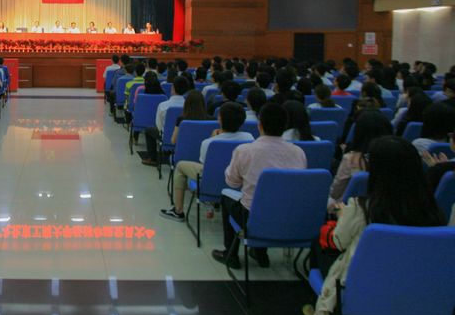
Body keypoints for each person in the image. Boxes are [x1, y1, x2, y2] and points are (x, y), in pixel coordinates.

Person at [304, 136, 444, 315]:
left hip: (363, 289)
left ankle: (322, 309)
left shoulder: (363, 208)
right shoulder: (433, 211)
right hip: (418, 294)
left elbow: (338, 241)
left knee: (318, 243)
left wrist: (343, 215)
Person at [212, 103, 307, 269]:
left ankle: (231, 254)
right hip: (289, 217)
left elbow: (232, 182)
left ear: (260, 124)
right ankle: (260, 252)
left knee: (227, 197)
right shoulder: (298, 152)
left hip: (252, 216)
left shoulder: (245, 151)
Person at [161, 102, 254, 221]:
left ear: (220, 119)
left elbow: (206, 167)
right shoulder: (250, 138)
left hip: (213, 183)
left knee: (180, 166)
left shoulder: (209, 143)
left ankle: (178, 210)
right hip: (240, 184)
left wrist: (213, 138)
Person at [328, 110, 393, 208]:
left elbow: (335, 193)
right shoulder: (397, 157)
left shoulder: (351, 159)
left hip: (355, 210)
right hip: (389, 208)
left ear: (358, 132)